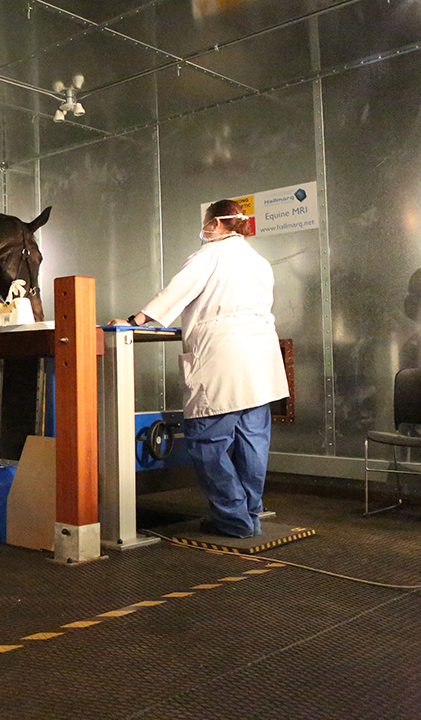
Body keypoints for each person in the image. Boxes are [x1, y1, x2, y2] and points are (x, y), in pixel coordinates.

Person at [109, 199, 289, 538]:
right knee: (253, 442)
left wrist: (135, 321)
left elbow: (175, 293)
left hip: (224, 358)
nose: (205, 228)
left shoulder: (210, 256)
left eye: (208, 222)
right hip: (262, 359)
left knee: (209, 441)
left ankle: (234, 520)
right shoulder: (259, 260)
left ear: (219, 224)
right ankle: (250, 513)